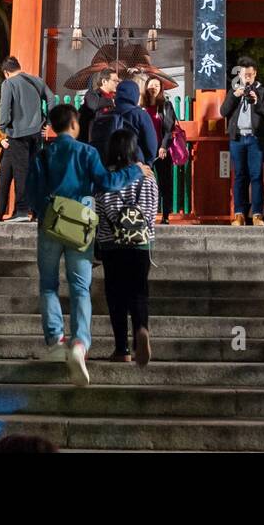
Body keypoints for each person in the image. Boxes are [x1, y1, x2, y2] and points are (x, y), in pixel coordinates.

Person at [26, 103, 132, 387]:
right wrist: (135, 172)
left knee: (48, 284)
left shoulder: (43, 154)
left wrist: (45, 209)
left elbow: (30, 192)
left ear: (51, 126)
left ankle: (55, 341)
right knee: (80, 288)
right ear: (74, 125)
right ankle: (80, 344)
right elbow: (107, 182)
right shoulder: (87, 152)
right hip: (80, 225)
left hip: (50, 224)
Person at [94, 128, 160, 364]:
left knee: (116, 295)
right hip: (141, 243)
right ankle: (141, 329)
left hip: (112, 244)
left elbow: (101, 211)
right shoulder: (147, 176)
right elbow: (151, 211)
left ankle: (122, 349)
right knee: (139, 291)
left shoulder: (107, 178)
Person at [0, 56, 52, 222]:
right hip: (35, 133)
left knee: (21, 172)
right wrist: (47, 122)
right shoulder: (36, 81)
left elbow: (4, 107)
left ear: (6, 72)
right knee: (33, 172)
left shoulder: (9, 83)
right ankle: (35, 211)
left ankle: (21, 211)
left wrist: (3, 126)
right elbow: (51, 97)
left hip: (18, 134)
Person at [221, 56, 264, 226]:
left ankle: (257, 214)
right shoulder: (234, 90)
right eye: (244, 75)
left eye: (250, 74)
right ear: (240, 74)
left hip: (254, 139)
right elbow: (223, 111)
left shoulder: (263, 91)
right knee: (239, 176)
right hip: (237, 139)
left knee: (256, 176)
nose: (247, 77)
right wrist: (235, 95)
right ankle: (239, 214)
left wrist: (257, 101)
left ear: (255, 73)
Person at [90, 73, 158, 165]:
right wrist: (147, 163)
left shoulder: (105, 114)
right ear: (135, 95)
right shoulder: (140, 115)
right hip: (134, 164)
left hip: (108, 164)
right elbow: (151, 144)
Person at [141, 76, 178, 224]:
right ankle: (145, 214)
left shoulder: (166, 105)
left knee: (164, 183)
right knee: (145, 183)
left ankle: (166, 215)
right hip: (144, 151)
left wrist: (163, 146)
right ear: (146, 87)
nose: (154, 88)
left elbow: (169, 129)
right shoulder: (141, 106)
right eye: (151, 85)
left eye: (157, 85)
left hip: (161, 150)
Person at [79, 68, 118, 145]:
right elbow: (95, 105)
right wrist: (112, 102)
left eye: (118, 81)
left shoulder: (116, 96)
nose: (117, 83)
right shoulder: (92, 94)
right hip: (92, 139)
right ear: (104, 81)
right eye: (114, 81)